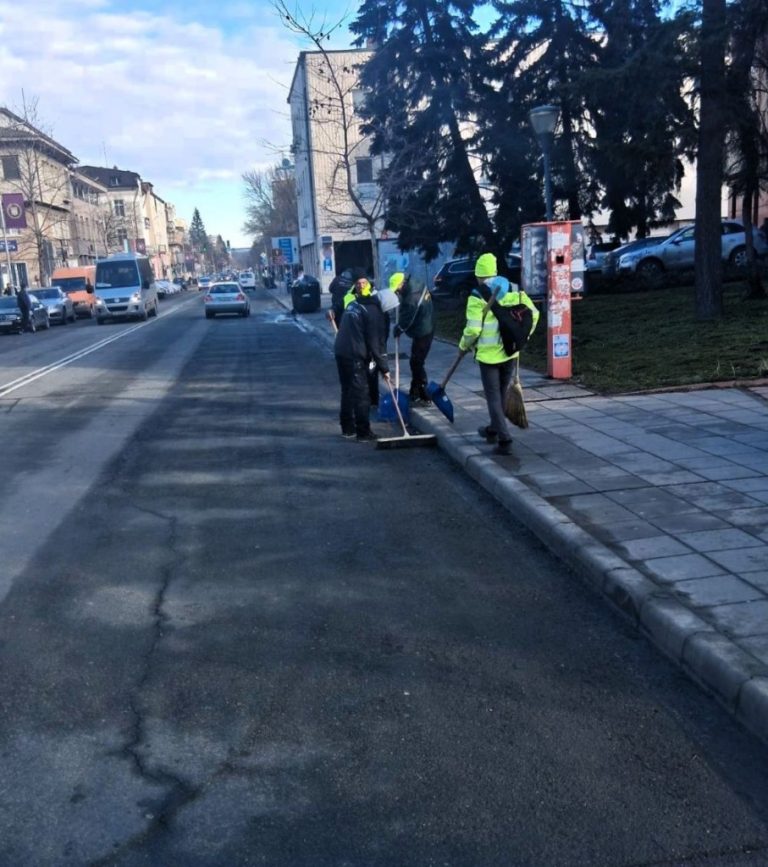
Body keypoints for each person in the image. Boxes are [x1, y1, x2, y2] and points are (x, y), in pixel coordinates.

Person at [459, 253, 539, 455]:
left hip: (489, 357)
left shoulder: (476, 296)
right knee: (502, 393)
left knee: (494, 397)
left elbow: (474, 330)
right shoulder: (514, 288)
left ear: (479, 275)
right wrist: (524, 337)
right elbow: (534, 314)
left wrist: (463, 345)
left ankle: (504, 438)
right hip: (510, 353)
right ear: (494, 271)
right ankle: (493, 429)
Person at [334, 277, 390, 442]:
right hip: (354, 355)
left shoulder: (354, 304)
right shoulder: (373, 312)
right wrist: (385, 369)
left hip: (341, 351)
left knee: (347, 391)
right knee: (362, 395)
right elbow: (375, 344)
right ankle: (363, 433)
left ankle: (347, 429)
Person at [390, 272, 435, 406]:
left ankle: (424, 394)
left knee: (417, 362)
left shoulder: (411, 298)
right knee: (415, 361)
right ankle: (414, 393)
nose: (397, 291)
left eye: (397, 289)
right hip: (428, 322)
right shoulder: (415, 282)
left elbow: (406, 320)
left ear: (402, 284)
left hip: (424, 330)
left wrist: (399, 328)